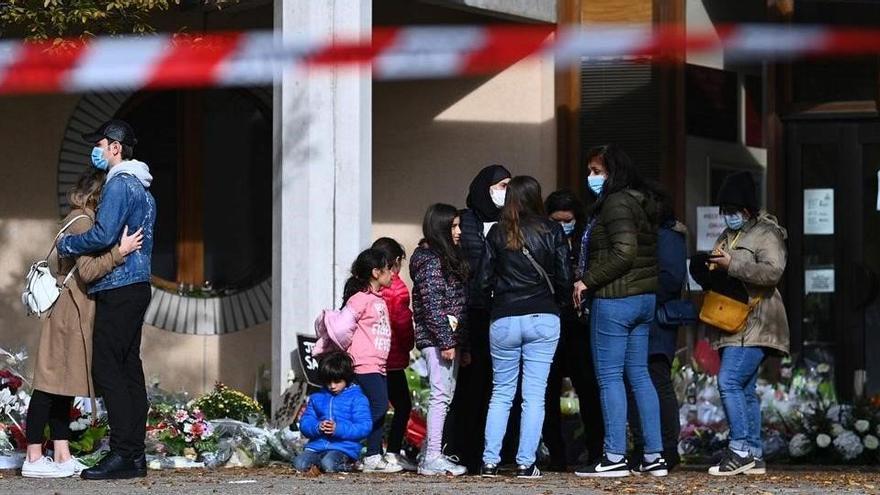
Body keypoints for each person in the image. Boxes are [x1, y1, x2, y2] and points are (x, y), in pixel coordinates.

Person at [22, 171, 143, 479]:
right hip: (69, 314)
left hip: (67, 312)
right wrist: (120, 252)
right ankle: (34, 456)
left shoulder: (74, 218)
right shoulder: (85, 223)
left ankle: (61, 455)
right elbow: (88, 271)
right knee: (49, 386)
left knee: (62, 385)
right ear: (97, 197)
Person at [57, 119, 156, 480]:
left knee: (107, 368)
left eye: (98, 144)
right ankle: (134, 456)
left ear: (115, 147)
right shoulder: (143, 188)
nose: (95, 151)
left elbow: (102, 234)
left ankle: (121, 454)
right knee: (129, 369)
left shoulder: (119, 185)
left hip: (119, 286)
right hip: (137, 286)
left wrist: (66, 244)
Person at [572, 144, 667, 478]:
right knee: (639, 375)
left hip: (614, 299)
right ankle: (654, 455)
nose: (591, 178)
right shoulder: (642, 203)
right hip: (643, 299)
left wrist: (586, 281)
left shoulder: (615, 204)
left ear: (613, 172)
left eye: (597, 171)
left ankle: (614, 456)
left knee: (610, 377)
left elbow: (623, 252)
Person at [690, 171, 789, 476]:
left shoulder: (767, 233)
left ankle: (739, 449)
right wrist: (705, 269)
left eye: (732, 210)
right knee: (744, 388)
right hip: (730, 321)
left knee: (729, 381)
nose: (727, 216)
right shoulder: (727, 235)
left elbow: (773, 272)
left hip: (757, 321)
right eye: (723, 211)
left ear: (747, 209)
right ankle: (754, 454)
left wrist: (732, 264)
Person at [477, 176, 572, 480]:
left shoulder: (496, 233)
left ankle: (490, 462)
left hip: (504, 318)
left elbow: (482, 282)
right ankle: (525, 463)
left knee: (501, 393)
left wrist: (497, 301)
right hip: (543, 317)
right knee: (534, 394)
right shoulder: (552, 229)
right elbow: (564, 278)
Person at [446, 164, 511, 473]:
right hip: (471, 311)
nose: (504, 192)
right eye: (500, 185)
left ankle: (498, 452)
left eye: (509, 185)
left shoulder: (511, 222)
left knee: (500, 386)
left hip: (502, 312)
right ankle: (461, 448)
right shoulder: (465, 221)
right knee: (470, 383)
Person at [541, 190, 604, 470]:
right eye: (557, 220)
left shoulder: (586, 241)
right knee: (547, 391)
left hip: (579, 325)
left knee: (588, 390)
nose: (563, 225)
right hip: (551, 321)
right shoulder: (542, 240)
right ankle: (556, 453)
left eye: (568, 220)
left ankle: (596, 450)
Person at [626, 189, 687, 470]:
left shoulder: (668, 236)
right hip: (646, 318)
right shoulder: (653, 235)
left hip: (657, 321)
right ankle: (645, 445)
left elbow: (671, 278)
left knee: (657, 381)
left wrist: (638, 293)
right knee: (640, 383)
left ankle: (666, 446)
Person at [410, 204, 469, 476]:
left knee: (445, 396)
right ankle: (432, 455)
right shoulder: (431, 261)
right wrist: (446, 341)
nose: (458, 232)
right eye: (453, 226)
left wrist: (461, 343)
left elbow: (456, 305)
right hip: (437, 340)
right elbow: (434, 306)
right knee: (440, 396)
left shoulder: (446, 258)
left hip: (448, 339)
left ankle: (430, 452)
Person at [337, 248, 402, 473]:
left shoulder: (377, 299)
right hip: (364, 364)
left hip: (378, 364)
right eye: (388, 269)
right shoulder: (359, 299)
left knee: (379, 408)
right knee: (379, 405)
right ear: (376, 272)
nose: (392, 273)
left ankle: (373, 456)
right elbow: (342, 328)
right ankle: (344, 442)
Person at [371, 237, 417, 471]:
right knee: (402, 405)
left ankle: (373, 451)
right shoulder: (397, 289)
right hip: (393, 359)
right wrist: (409, 345)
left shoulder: (366, 283)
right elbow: (403, 324)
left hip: (371, 359)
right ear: (396, 261)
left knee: (375, 405)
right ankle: (392, 452)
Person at [293, 352, 373, 474]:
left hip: (344, 448)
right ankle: (321, 465)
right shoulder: (317, 397)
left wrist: (338, 429)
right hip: (316, 447)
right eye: (328, 382)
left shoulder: (357, 398)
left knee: (329, 464)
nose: (332, 386)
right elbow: (305, 423)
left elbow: (364, 426)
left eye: (337, 381)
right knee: (300, 464)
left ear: (346, 378)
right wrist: (317, 427)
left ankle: (350, 464)